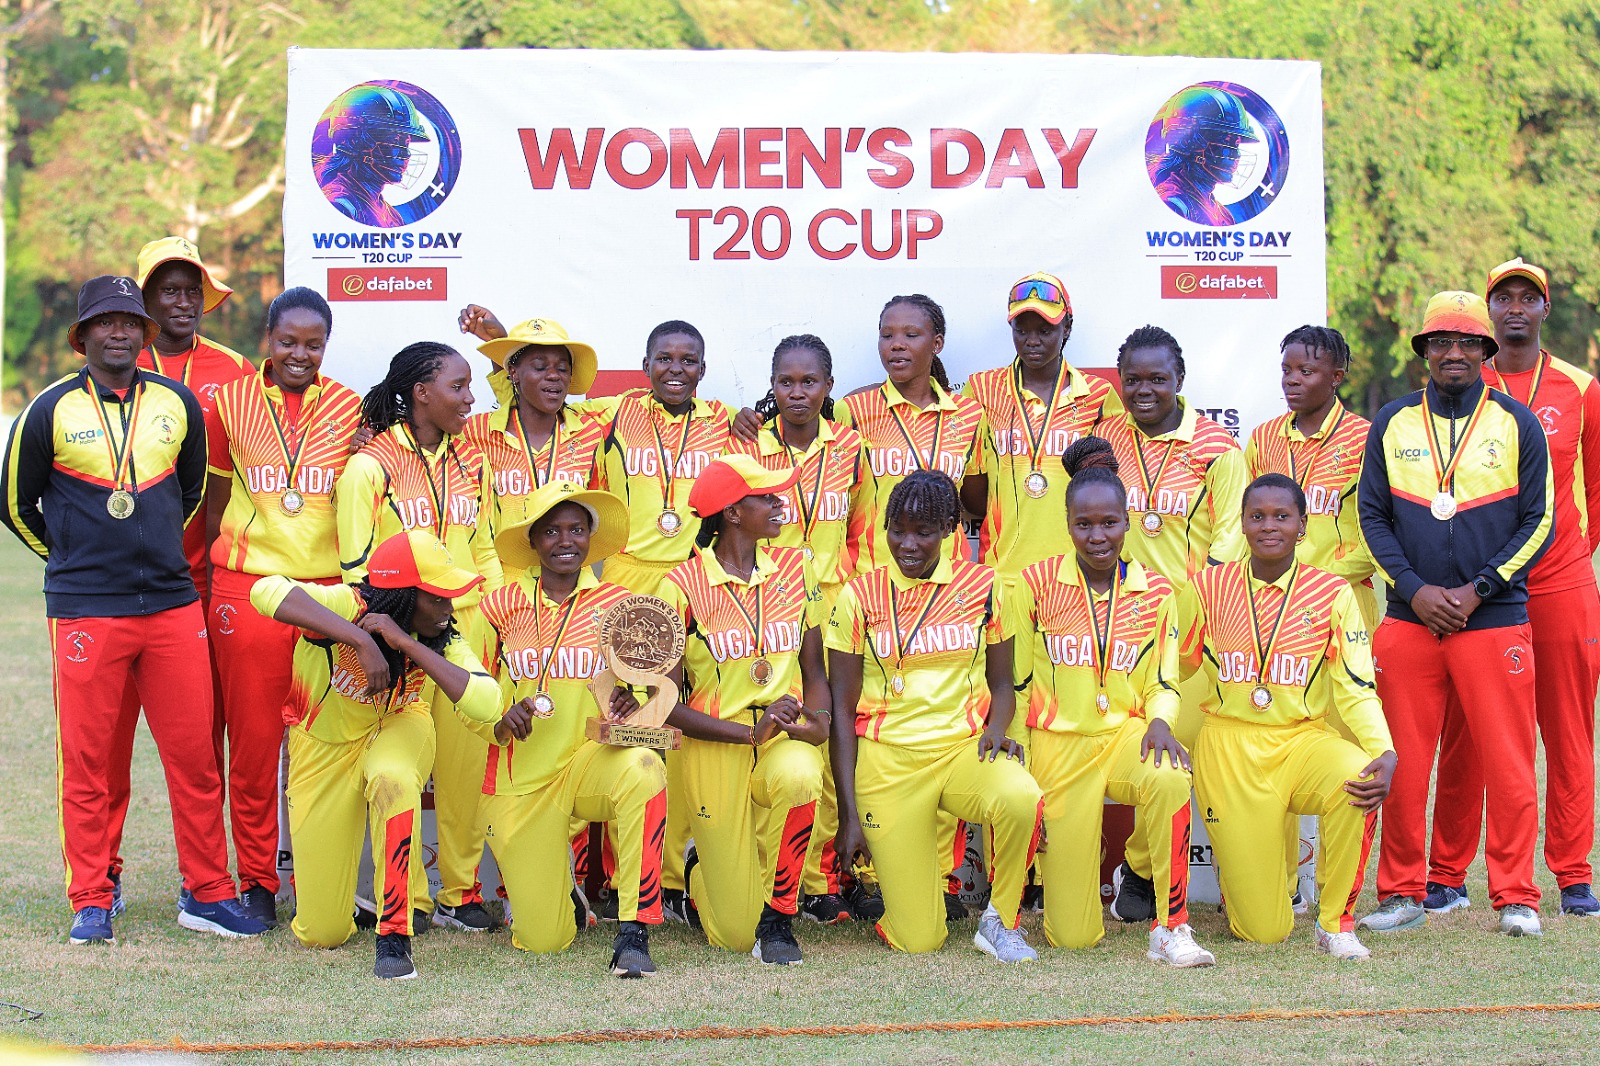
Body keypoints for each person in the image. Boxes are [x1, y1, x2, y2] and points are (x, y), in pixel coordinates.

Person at [1, 276, 266, 945]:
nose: (118, 332)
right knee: (89, 762)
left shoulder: (178, 404)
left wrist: (156, 554)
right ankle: (92, 897)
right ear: (83, 335)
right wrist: (72, 560)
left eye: (129, 322)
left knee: (195, 760)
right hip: (87, 612)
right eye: (104, 322)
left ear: (143, 333)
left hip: (173, 608)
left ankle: (207, 893)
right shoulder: (49, 409)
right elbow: (14, 504)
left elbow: (190, 493)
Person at [1357, 290, 1552, 938]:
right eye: (1441, 341)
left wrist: (1479, 590)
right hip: (1410, 620)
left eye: (1469, 342)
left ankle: (1516, 896)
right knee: (1403, 764)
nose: (1454, 353)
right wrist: (1415, 590)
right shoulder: (1392, 422)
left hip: (1492, 619)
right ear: (1424, 351)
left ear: (1486, 351)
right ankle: (1400, 892)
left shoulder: (1517, 423)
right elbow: (1372, 518)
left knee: (1509, 763)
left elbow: (1539, 521)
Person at [1428, 259, 1600, 918]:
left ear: (1545, 308)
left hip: (1559, 584)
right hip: (1480, 589)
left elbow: (1594, 488)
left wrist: (1567, 555)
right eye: (1505, 298)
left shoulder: (1580, 389)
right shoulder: (1465, 382)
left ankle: (1573, 874)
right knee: (1467, 732)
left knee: (1568, 731)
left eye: (1529, 298)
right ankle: (1447, 875)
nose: (1517, 309)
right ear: (1489, 311)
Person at [250, 530, 499, 980]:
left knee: (393, 778)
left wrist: (406, 644)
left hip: (399, 725)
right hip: (322, 744)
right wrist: (360, 641)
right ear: (403, 596)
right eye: (437, 597)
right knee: (321, 933)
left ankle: (395, 934)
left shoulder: (441, 636)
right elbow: (265, 591)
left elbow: (487, 703)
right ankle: (349, 907)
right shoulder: (351, 604)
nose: (449, 607)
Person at [826, 470, 1044, 961]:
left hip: (960, 753)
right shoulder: (858, 595)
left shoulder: (985, 587)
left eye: (923, 532)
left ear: (949, 529)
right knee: (921, 940)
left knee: (1021, 796)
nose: (908, 544)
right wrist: (848, 814)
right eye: (897, 530)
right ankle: (905, 909)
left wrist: (995, 728)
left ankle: (1001, 920)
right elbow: (841, 709)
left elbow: (1003, 685)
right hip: (888, 765)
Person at [1178, 475, 1396, 960]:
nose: (1269, 526)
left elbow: (1356, 687)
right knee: (1263, 930)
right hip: (1231, 748)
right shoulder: (1207, 587)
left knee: (1358, 776)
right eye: (1257, 516)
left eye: (1282, 516)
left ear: (1302, 525)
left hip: (1302, 740)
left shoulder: (1332, 592)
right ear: (1242, 524)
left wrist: (1382, 748)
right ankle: (1258, 895)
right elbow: (1174, 667)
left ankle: (1336, 924)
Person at [1011, 437, 1209, 966]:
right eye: (1084, 524)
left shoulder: (1156, 592)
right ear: (1067, 523)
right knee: (1072, 936)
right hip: (1059, 746)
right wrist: (1021, 757)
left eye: (1109, 523)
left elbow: (1163, 681)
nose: (1097, 536)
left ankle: (1172, 926)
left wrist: (1161, 722)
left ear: (1127, 522)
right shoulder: (1034, 584)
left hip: (1124, 735)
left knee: (1169, 775)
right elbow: (1018, 682)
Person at [204, 287, 363, 927]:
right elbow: (214, 497)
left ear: (326, 345)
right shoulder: (230, 402)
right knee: (254, 745)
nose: (300, 354)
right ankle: (258, 882)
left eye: (313, 344)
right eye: (288, 341)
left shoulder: (350, 407)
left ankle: (324, 881)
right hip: (249, 590)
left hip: (326, 595)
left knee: (326, 746)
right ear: (267, 339)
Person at [339, 342, 503, 931]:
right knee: (403, 769)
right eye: (458, 387)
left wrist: (499, 615)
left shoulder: (473, 461)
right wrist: (388, 636)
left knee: (464, 767)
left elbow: (485, 547)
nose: (470, 398)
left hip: (467, 628)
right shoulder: (369, 467)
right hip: (404, 636)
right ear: (421, 392)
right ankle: (405, 898)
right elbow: (356, 570)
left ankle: (461, 891)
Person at [478, 480, 667, 976]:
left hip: (589, 761)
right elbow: (469, 686)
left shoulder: (620, 603)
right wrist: (498, 718)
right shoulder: (499, 605)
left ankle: (634, 931)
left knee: (645, 768)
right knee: (544, 941)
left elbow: (651, 691)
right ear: (534, 541)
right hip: (522, 777)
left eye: (577, 530)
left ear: (590, 537)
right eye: (552, 531)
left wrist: (633, 700)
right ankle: (560, 886)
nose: (566, 541)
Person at [1093, 324, 1246, 924]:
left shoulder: (1217, 449)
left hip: (1192, 636)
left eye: (1158, 378)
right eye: (1132, 379)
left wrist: (1192, 623)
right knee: (1129, 752)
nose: (1144, 390)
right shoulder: (1105, 440)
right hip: (1119, 631)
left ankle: (1139, 868)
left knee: (1173, 751)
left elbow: (1229, 544)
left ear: (1180, 379)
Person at [658, 455, 829, 964]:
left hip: (783, 737)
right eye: (767, 498)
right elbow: (665, 704)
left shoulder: (797, 568)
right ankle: (699, 873)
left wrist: (819, 723)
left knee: (801, 777)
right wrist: (748, 735)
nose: (779, 504)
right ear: (732, 513)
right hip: (716, 743)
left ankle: (778, 918)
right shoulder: (680, 585)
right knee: (733, 934)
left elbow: (815, 672)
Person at [591, 319, 733, 917]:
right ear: (646, 364)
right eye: (665, 359)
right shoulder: (614, 414)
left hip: (698, 579)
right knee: (633, 724)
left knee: (689, 717)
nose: (677, 370)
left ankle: (676, 874)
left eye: (688, 360)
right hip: (631, 579)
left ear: (703, 368)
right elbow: (546, 407)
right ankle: (626, 875)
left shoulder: (726, 421)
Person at [727, 335, 865, 925]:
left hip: (834, 601)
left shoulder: (852, 447)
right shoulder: (747, 444)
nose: (797, 392)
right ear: (772, 385)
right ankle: (766, 872)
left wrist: (855, 593)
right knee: (778, 730)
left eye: (810, 382)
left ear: (828, 386)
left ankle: (818, 878)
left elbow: (861, 528)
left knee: (830, 730)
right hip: (771, 601)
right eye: (786, 381)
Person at [1245, 324, 1376, 913]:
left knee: (1343, 751)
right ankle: (1284, 881)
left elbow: (1378, 534)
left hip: (1342, 607)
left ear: (1337, 376)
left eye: (1307, 371)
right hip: (1270, 614)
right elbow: (1246, 525)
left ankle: (1334, 890)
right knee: (1277, 741)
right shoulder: (1263, 438)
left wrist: (1319, 580)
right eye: (1287, 370)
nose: (1292, 381)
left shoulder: (1366, 439)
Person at [965, 271, 1123, 586]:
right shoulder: (982, 389)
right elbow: (972, 489)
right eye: (1021, 330)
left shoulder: (1098, 395)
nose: (1032, 341)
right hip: (1003, 573)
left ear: (1067, 327)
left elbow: (1111, 487)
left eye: (1045, 330)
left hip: (1077, 575)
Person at [838, 295, 986, 574]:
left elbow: (976, 500)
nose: (896, 344)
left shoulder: (970, 415)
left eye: (911, 335)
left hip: (949, 577)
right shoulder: (853, 410)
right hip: (873, 576)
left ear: (937, 344)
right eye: (887, 335)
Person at [457, 307, 606, 539]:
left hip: (566, 561)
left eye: (563, 368)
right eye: (539, 367)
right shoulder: (476, 432)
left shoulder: (589, 433)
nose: (554, 375)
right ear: (513, 373)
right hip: (501, 562)